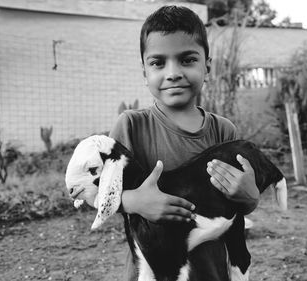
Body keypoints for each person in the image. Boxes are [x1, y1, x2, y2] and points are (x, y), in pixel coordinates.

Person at [109, 5, 259, 281]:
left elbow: (238, 207)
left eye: (187, 60)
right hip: (153, 272)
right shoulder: (130, 126)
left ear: (207, 66)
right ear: (144, 71)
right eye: (158, 63)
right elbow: (99, 194)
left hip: (212, 272)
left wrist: (250, 197)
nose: (173, 72)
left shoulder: (224, 130)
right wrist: (133, 201)